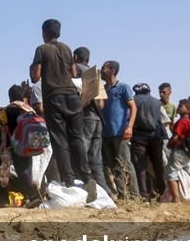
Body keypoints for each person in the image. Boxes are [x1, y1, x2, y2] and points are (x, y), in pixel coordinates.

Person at [30, 20, 97, 201]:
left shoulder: (42, 49)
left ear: (44, 33)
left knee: (60, 141)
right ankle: (87, 177)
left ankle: (68, 182)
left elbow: (36, 76)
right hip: (72, 96)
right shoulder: (67, 48)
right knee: (76, 139)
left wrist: (34, 68)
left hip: (54, 97)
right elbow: (73, 72)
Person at [73, 47, 111, 196]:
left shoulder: (76, 70)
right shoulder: (96, 75)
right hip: (97, 121)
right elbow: (101, 104)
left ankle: (81, 193)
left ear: (75, 57)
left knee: (80, 157)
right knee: (96, 161)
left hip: (84, 119)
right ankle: (105, 194)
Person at [100, 61, 138, 200]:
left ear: (112, 71)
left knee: (125, 163)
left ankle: (134, 196)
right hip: (106, 133)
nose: (101, 70)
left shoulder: (123, 87)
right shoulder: (103, 89)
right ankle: (123, 195)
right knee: (114, 166)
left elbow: (133, 107)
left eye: (104, 68)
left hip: (120, 132)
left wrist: (129, 127)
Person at [130, 83, 167, 202]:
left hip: (139, 138)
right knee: (158, 168)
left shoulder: (134, 100)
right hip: (155, 138)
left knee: (140, 168)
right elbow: (161, 121)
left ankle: (144, 196)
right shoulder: (157, 102)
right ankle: (163, 194)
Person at [166, 99, 190, 202]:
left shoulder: (181, 121)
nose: (178, 107)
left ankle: (176, 199)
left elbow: (175, 137)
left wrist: (169, 145)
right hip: (187, 153)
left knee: (171, 174)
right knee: (189, 176)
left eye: (180, 106)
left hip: (179, 151)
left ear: (188, 109)